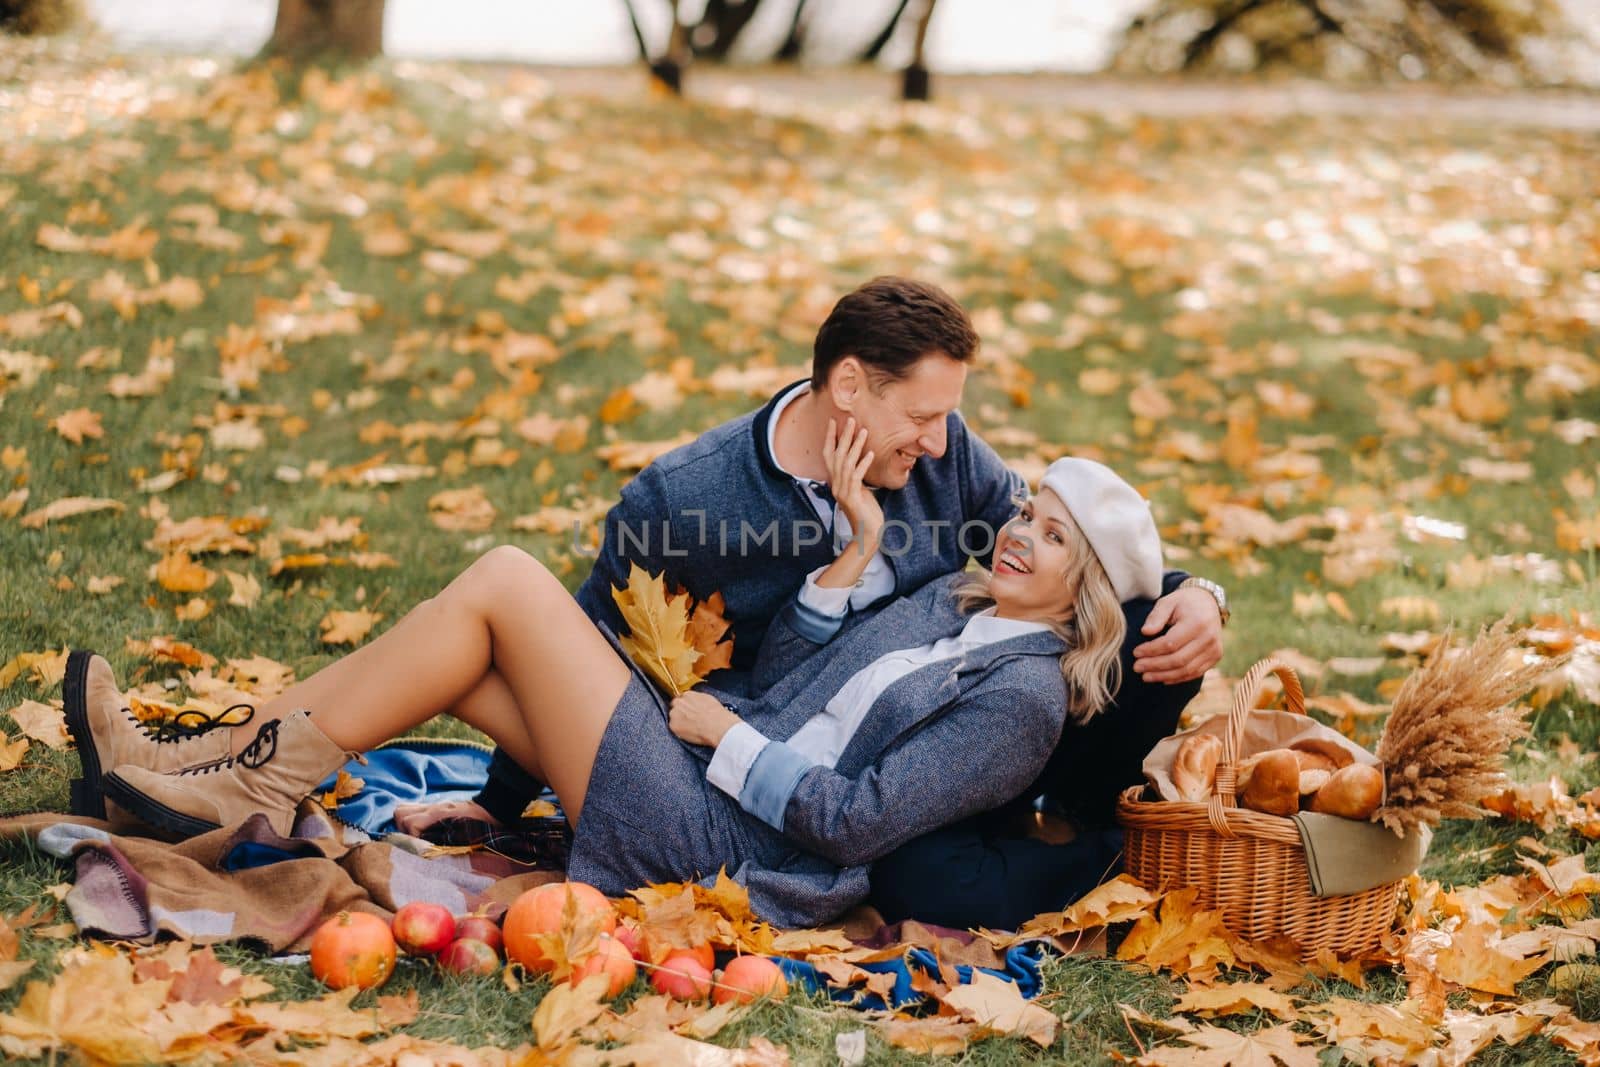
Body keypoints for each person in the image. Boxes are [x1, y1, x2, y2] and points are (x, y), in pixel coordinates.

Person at [385, 278, 1225, 920]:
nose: (939, 444)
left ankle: (258, 764)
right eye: (924, 417)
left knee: (501, 581)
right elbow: (606, 629)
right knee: (476, 635)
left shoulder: (952, 478)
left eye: (946, 421)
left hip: (740, 804)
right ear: (852, 386)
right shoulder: (693, 499)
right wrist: (497, 802)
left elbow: (1093, 562)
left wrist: (1198, 592)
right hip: (698, 746)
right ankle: (259, 764)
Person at [70, 449, 1164, 927]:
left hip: (731, 845)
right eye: (1028, 511)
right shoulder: (950, 604)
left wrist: (722, 737)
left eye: (1055, 537)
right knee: (467, 646)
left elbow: (857, 822)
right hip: (695, 769)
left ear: (1088, 597)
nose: (1021, 534)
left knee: (504, 579)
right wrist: (850, 559)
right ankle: (196, 771)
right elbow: (789, 683)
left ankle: (226, 777)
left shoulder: (1022, 700)